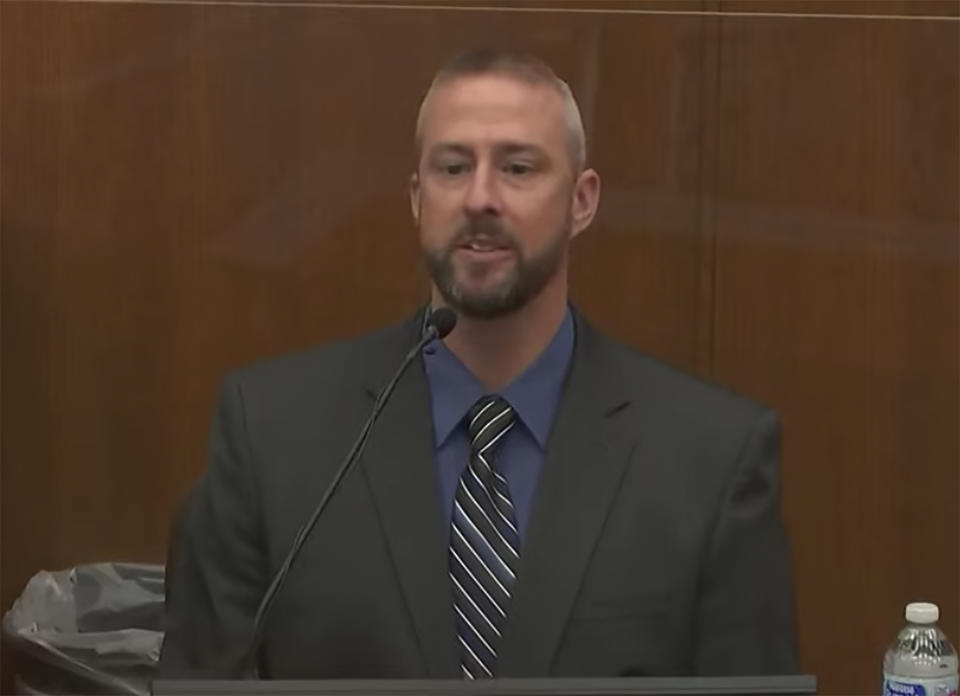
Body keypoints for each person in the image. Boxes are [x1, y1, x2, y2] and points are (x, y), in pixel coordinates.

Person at [158, 49, 797, 680]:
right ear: (416, 197)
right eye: (453, 168)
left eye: (518, 168)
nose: (480, 197)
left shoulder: (711, 459)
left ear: (582, 200)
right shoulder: (273, 433)